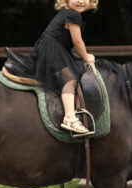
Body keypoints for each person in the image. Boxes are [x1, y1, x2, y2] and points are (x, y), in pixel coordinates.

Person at [28, 0, 98, 134]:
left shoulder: (66, 12)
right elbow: (77, 42)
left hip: (51, 48)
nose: (81, 1)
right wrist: (86, 57)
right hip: (52, 50)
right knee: (70, 79)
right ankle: (70, 117)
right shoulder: (73, 15)